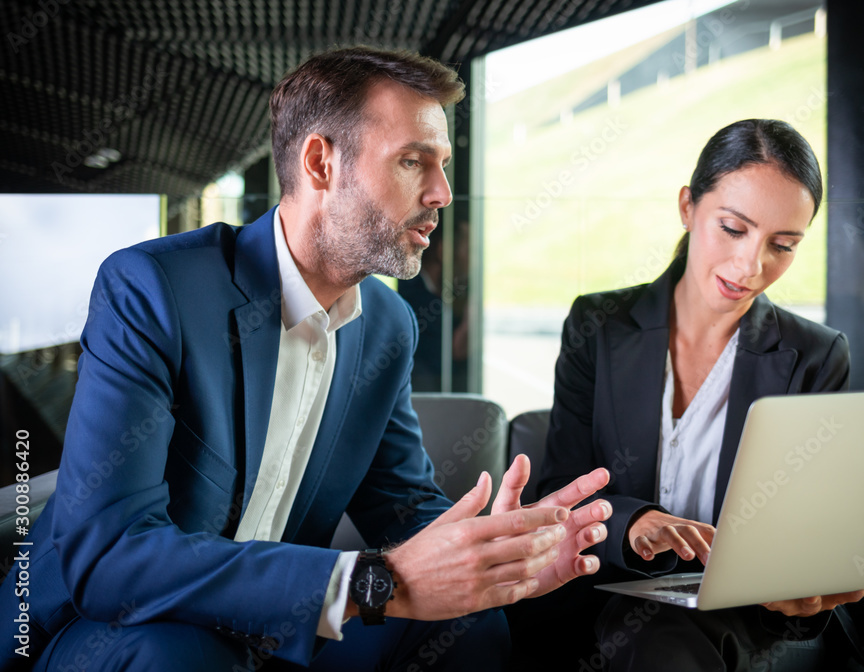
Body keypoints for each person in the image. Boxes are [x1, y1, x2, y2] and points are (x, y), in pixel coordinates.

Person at [0, 46, 612, 672]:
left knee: (468, 626)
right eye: (411, 161)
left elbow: (400, 508)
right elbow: (109, 556)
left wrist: (502, 550)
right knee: (179, 655)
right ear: (320, 161)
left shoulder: (386, 326)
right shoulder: (153, 289)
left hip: (271, 630)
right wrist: (370, 582)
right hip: (102, 626)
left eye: (444, 166)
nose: (442, 193)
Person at [530, 119, 864, 671]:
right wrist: (633, 523)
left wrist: (803, 575)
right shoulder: (600, 325)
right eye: (733, 228)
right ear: (688, 207)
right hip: (608, 590)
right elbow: (560, 486)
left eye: (783, 245)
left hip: (744, 615)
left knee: (662, 639)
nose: (751, 267)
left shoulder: (817, 356)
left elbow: (810, 522)